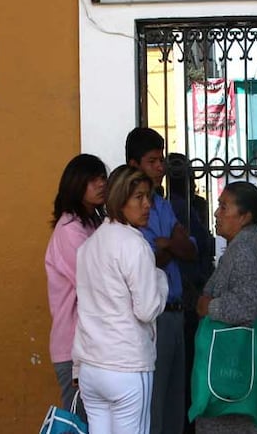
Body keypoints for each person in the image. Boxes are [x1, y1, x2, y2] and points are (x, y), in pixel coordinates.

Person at [74, 165, 169, 434]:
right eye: (138, 197)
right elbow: (147, 309)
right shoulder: (134, 244)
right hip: (126, 365)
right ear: (119, 200)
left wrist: (78, 367)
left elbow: (85, 311)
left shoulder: (88, 246)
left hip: (92, 368)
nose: (147, 204)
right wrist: (160, 279)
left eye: (147, 196)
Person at [195, 181, 257, 433]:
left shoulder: (242, 250)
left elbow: (247, 304)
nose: (217, 213)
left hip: (241, 371)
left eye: (223, 207)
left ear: (245, 216)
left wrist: (210, 307)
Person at [126, 128, 198, 434]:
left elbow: (190, 250)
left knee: (174, 407)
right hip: (152, 320)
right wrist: (169, 244)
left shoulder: (162, 203)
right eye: (153, 161)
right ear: (133, 165)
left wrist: (166, 244)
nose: (161, 167)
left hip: (177, 313)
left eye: (162, 160)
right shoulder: (127, 209)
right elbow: (147, 261)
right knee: (153, 410)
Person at [45, 153, 108, 421]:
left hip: (94, 344)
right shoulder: (70, 230)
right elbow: (94, 282)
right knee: (81, 423)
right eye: (93, 179)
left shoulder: (95, 223)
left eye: (103, 178)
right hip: (75, 348)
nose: (101, 184)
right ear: (76, 184)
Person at [166, 152, 214, 433]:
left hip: (187, 291)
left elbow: (201, 246)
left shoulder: (194, 205)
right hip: (186, 293)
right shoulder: (171, 205)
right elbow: (202, 247)